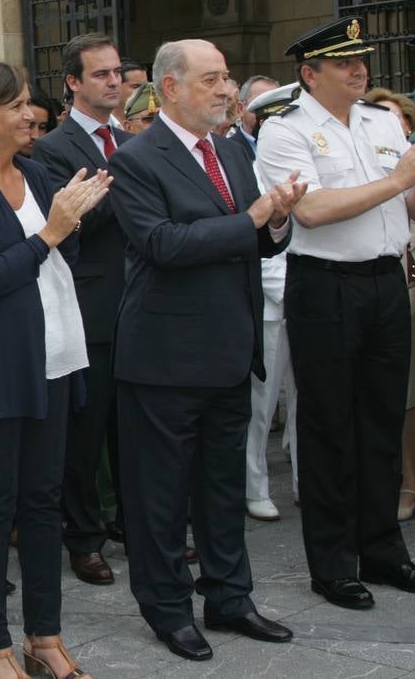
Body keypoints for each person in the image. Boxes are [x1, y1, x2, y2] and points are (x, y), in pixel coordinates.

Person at [110, 39, 301, 663]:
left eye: (227, 79)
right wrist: (251, 220)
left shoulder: (228, 150)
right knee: (161, 497)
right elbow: (163, 244)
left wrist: (277, 221)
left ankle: (229, 597)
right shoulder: (137, 158)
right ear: (170, 87)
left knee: (221, 489)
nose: (227, 90)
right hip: (164, 360)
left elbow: (258, 240)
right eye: (212, 80)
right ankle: (167, 608)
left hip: (228, 351)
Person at [255, 16, 415, 610]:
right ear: (309, 74)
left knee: (381, 420)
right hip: (326, 286)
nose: (359, 70)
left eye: (361, 60)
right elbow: (312, 211)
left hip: (384, 282)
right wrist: (401, 176)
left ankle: (383, 549)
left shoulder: (380, 119)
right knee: (328, 428)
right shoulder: (283, 132)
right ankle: (333, 560)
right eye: (344, 63)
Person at [0, 56, 109, 679]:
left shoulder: (34, 174)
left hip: (56, 359)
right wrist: (51, 233)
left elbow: (65, 247)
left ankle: (46, 637)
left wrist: (76, 215)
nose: (29, 114)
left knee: (43, 502)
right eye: (15, 106)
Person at [28, 33, 129, 588]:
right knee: (85, 434)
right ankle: (84, 537)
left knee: (132, 429)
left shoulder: (131, 138)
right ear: (73, 83)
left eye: (116, 73)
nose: (113, 82)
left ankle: (132, 524)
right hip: (91, 303)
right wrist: (128, 193)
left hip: (140, 303)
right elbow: (69, 226)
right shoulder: (55, 149)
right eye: (100, 75)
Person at [364, 87, 415, 522]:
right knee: (411, 390)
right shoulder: (369, 159)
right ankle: (410, 479)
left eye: (395, 119)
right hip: (401, 271)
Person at [241, 82, 303, 522]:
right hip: (272, 301)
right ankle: (255, 484)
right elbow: (258, 244)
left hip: (309, 298)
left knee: (306, 399)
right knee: (261, 405)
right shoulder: (250, 169)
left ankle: (305, 478)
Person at [235, 75, 278, 156]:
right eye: (260, 104)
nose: (268, 111)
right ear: (240, 109)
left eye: (274, 104)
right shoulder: (227, 150)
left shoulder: (291, 145)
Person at [112, 59, 149, 125]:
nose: (143, 91)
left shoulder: (153, 121)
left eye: (146, 86)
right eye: (136, 86)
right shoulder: (101, 123)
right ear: (117, 85)